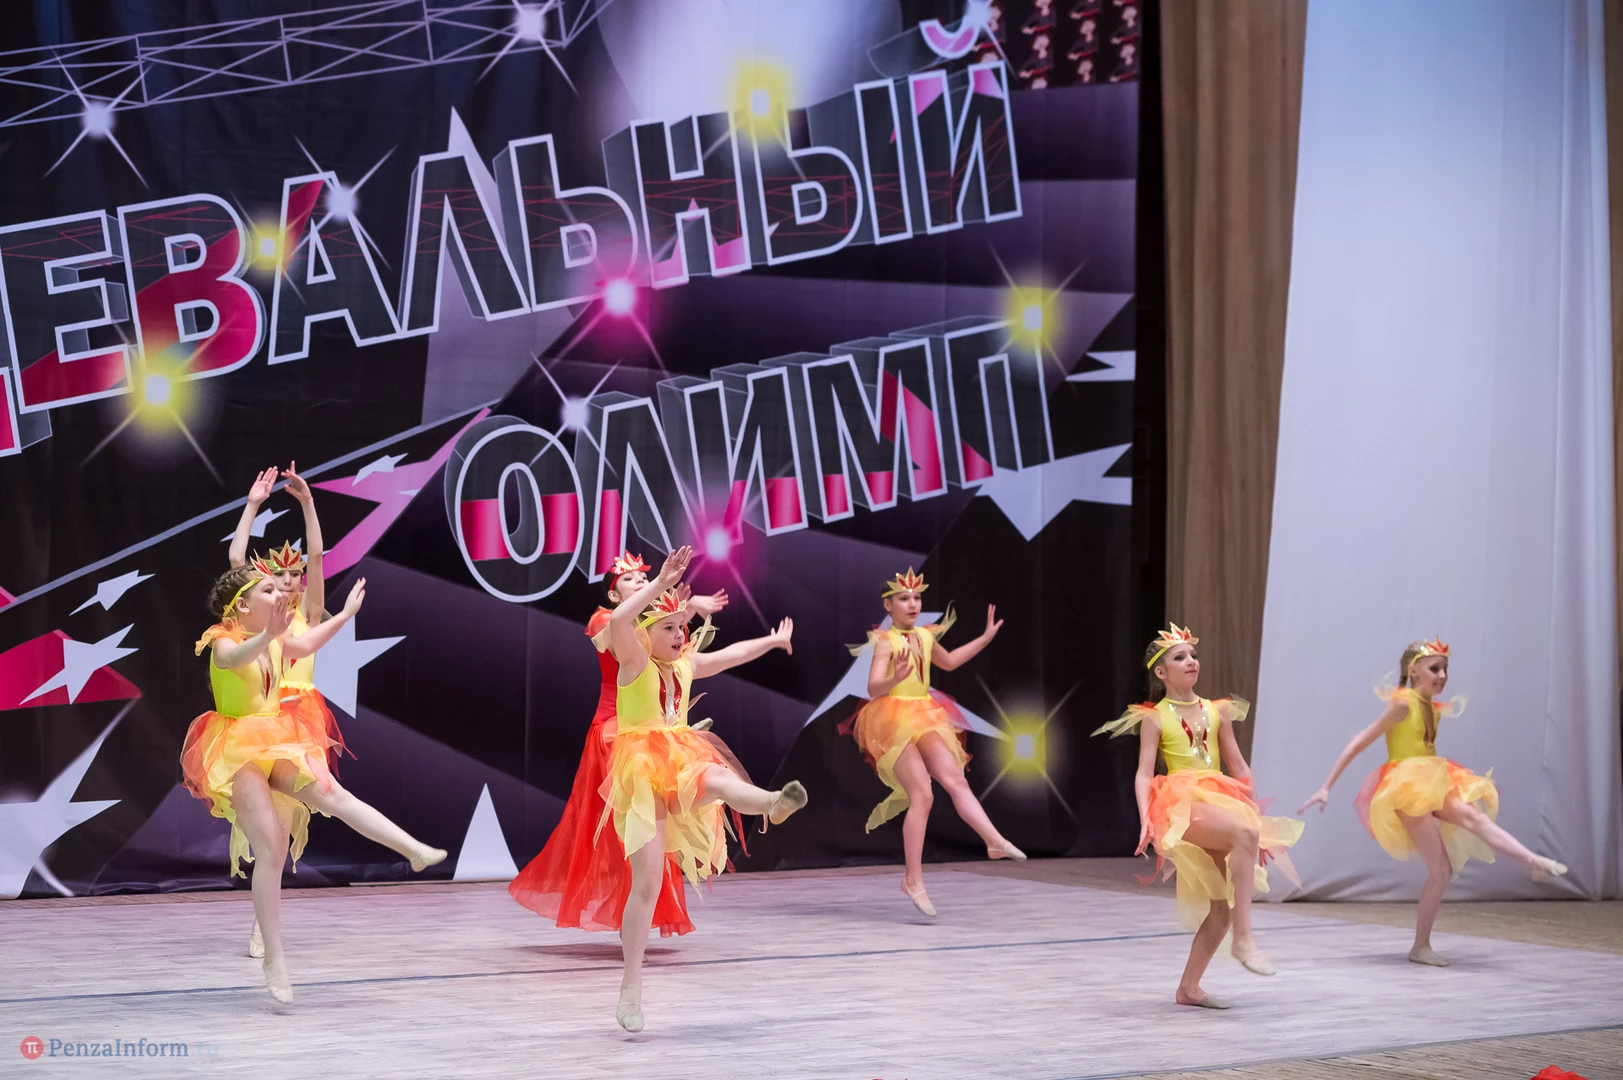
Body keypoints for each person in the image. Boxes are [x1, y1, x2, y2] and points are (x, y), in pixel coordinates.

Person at [228, 466, 444, 962]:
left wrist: (308, 503)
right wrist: (253, 505)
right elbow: (237, 561)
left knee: (301, 816)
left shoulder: (306, 615)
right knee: (270, 835)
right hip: (261, 721)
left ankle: (407, 848)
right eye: (278, 577)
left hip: (299, 721)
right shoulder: (260, 621)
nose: (288, 582)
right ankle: (262, 929)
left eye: (294, 576)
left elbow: (318, 555)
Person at [600, 546, 808, 1031]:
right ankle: (631, 986)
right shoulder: (634, 661)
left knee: (716, 776)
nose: (680, 635)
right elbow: (619, 621)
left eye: (682, 627)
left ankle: (772, 804)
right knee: (647, 885)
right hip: (641, 773)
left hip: (680, 759)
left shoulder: (685, 666)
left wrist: (771, 641)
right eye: (669, 628)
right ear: (646, 635)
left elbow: (729, 656)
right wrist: (659, 584)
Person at [1300, 638, 1567, 966]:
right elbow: (1359, 742)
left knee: (1474, 818)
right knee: (1440, 870)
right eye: (1435, 669)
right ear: (1414, 671)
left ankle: (1531, 861)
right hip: (1406, 786)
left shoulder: (1432, 707)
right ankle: (1420, 946)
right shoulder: (1402, 704)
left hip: (1432, 777)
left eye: (1445, 669)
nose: (1442, 676)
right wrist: (1326, 786)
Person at [508, 551, 726, 938]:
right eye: (629, 580)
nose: (638, 582)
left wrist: (684, 611)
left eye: (642, 578)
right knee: (619, 825)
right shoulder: (604, 619)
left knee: (647, 829)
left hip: (648, 724)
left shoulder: (645, 618)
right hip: (614, 729)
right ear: (612, 595)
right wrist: (677, 601)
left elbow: (662, 636)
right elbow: (632, 631)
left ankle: (684, 738)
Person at [1095, 624, 1303, 1008]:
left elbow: (1239, 766)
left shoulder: (1216, 710)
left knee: (1220, 907)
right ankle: (1244, 940)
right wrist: (1145, 818)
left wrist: (1254, 817)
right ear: (1161, 672)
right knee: (1242, 835)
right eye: (1180, 657)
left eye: (1193, 655)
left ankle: (1188, 988)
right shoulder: (1155, 717)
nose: (1191, 661)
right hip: (1179, 802)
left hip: (1219, 798)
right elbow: (1143, 773)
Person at [841, 568, 1023, 918]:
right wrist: (895, 677)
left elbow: (950, 662)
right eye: (904, 599)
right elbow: (873, 687)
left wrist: (985, 638)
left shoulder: (924, 635)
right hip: (892, 719)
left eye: (917, 598)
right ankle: (913, 880)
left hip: (925, 713)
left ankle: (994, 841)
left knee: (955, 780)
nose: (912, 604)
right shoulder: (886, 641)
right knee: (923, 794)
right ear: (888, 605)